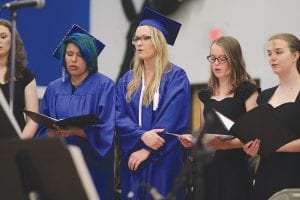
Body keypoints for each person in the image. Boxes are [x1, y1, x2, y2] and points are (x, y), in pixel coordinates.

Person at [116, 7, 191, 200]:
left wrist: (147, 149)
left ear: (158, 41)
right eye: (136, 39)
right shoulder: (127, 80)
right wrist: (141, 136)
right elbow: (118, 115)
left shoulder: (176, 77)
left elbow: (173, 118)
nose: (139, 43)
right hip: (133, 160)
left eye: (145, 38)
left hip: (163, 161)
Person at [35, 25, 115, 200]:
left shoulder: (105, 86)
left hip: (92, 166)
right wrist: (49, 133)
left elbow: (107, 130)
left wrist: (77, 131)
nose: (73, 60)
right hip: (60, 163)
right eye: (69, 54)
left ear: (89, 59)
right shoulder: (54, 88)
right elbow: (41, 128)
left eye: (80, 55)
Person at [180, 36, 259, 200]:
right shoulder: (205, 95)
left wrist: (225, 144)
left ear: (234, 59)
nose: (216, 63)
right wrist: (194, 140)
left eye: (222, 59)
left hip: (236, 167)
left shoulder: (248, 91)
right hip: (209, 168)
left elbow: (254, 136)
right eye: (212, 58)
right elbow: (203, 135)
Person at [243, 33, 300, 200]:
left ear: (295, 55)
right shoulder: (264, 96)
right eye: (269, 54)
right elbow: (258, 136)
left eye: (278, 52)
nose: (272, 58)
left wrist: (273, 145)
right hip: (266, 177)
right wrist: (252, 148)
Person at [0, 19, 38, 139]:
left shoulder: (25, 75)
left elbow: (33, 120)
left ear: (13, 41)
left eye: (3, 36)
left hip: (17, 144)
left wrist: (19, 145)